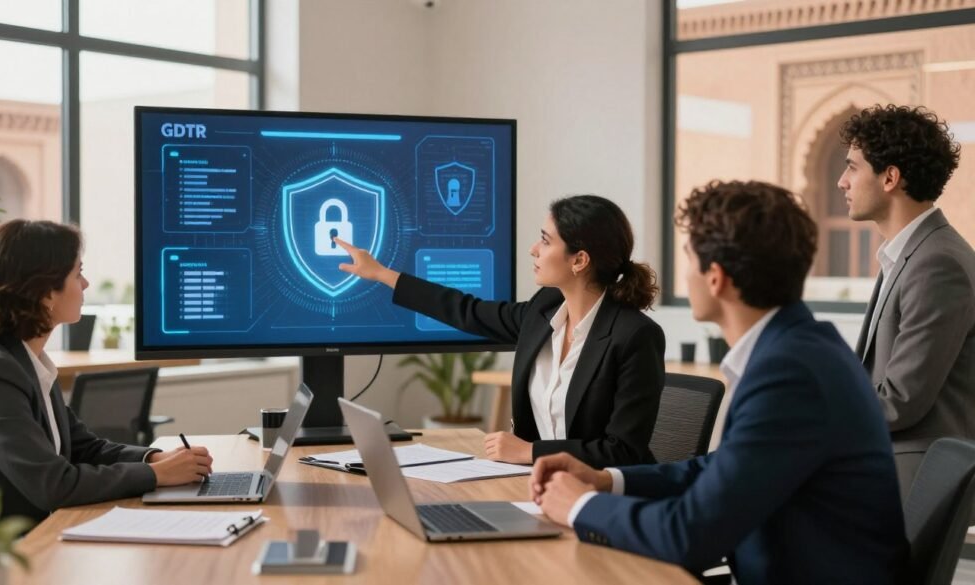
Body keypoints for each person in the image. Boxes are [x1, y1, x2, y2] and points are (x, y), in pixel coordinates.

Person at [529, 181, 908, 584]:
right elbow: (723, 470)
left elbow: (690, 533)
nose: (685, 272)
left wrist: (580, 506)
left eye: (688, 257)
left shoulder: (790, 374)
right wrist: (606, 480)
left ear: (716, 278)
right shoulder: (796, 348)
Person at [336, 195, 665, 468]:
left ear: (579, 260)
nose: (534, 249)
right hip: (541, 486)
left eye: (546, 241)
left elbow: (623, 452)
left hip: (608, 497)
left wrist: (529, 451)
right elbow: (468, 311)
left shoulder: (634, 336)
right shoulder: (543, 309)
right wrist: (381, 273)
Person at [0, 220, 213, 522]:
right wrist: (155, 475)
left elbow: (85, 448)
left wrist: (155, 458)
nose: (85, 284)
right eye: (78, 273)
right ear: (46, 292)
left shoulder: (27, 362)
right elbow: (54, 484)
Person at [838, 104, 975, 501]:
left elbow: (901, 402)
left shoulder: (937, 262)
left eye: (852, 167)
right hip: (889, 470)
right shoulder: (910, 254)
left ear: (890, 178)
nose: (841, 182)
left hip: (912, 482)